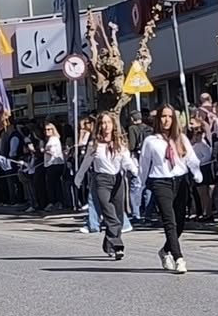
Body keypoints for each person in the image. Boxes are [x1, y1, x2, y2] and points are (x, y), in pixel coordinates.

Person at [137, 105, 199, 272]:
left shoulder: (181, 138)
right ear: (158, 119)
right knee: (169, 220)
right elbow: (144, 164)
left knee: (180, 222)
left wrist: (197, 172)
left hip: (180, 180)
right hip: (160, 181)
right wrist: (140, 184)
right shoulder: (151, 141)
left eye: (170, 117)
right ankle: (178, 257)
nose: (166, 120)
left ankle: (165, 250)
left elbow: (191, 158)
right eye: (163, 116)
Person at [77, 113, 137, 260]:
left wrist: (134, 170)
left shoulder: (120, 143)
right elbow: (86, 163)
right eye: (103, 123)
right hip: (101, 180)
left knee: (118, 214)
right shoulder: (95, 144)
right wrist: (78, 178)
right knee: (109, 212)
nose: (105, 126)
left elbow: (126, 160)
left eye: (108, 123)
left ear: (113, 124)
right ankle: (118, 246)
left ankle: (109, 242)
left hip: (117, 179)